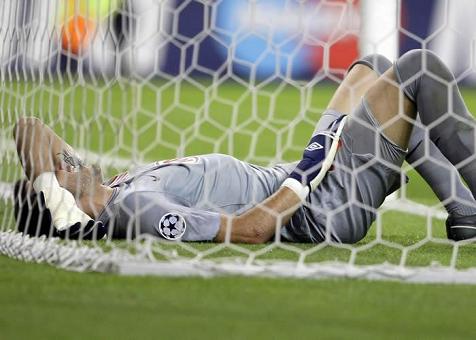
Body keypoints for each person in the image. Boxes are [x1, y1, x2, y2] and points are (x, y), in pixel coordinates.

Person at [13, 49, 476, 243]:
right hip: (321, 207)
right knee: (419, 68)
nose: (66, 162)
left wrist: (51, 189)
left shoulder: (114, 188)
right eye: (63, 177)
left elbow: (31, 129)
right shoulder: (138, 208)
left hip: (312, 177)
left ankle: (465, 212)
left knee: (372, 67)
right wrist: (306, 173)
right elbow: (249, 229)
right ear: (72, 204)